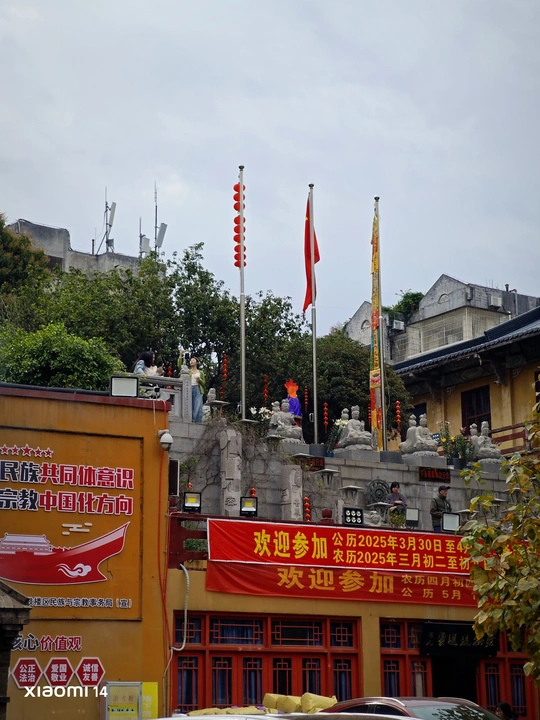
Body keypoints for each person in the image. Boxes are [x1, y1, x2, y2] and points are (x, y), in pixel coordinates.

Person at [189, 357, 205, 424]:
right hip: (189, 388)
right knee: (190, 406)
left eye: (193, 360)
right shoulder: (188, 371)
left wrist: (199, 380)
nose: (191, 361)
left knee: (197, 407)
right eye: (190, 360)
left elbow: (204, 383)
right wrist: (180, 356)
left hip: (197, 389)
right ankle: (190, 421)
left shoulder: (200, 372)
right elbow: (179, 366)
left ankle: (197, 422)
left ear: (197, 363)